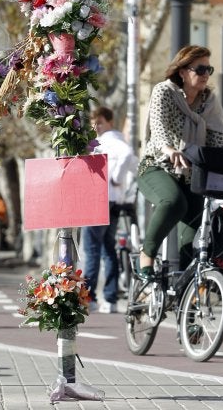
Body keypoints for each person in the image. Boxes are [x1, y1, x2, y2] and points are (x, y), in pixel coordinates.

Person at [137, 45, 223, 279]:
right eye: (200, 69)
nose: (205, 74)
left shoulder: (209, 101)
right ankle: (146, 254)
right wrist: (169, 148)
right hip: (156, 167)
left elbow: (220, 138)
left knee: (196, 235)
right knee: (174, 202)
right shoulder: (164, 92)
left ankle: (185, 297)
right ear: (182, 71)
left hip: (191, 175)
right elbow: (158, 128)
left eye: (208, 69)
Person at [82, 106, 135, 313]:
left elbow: (128, 155)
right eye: (94, 123)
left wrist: (115, 178)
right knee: (108, 248)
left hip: (99, 200)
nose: (96, 127)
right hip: (114, 201)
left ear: (109, 121)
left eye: (99, 122)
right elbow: (135, 163)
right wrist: (122, 184)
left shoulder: (108, 142)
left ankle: (90, 297)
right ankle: (111, 298)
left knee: (92, 250)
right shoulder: (118, 141)